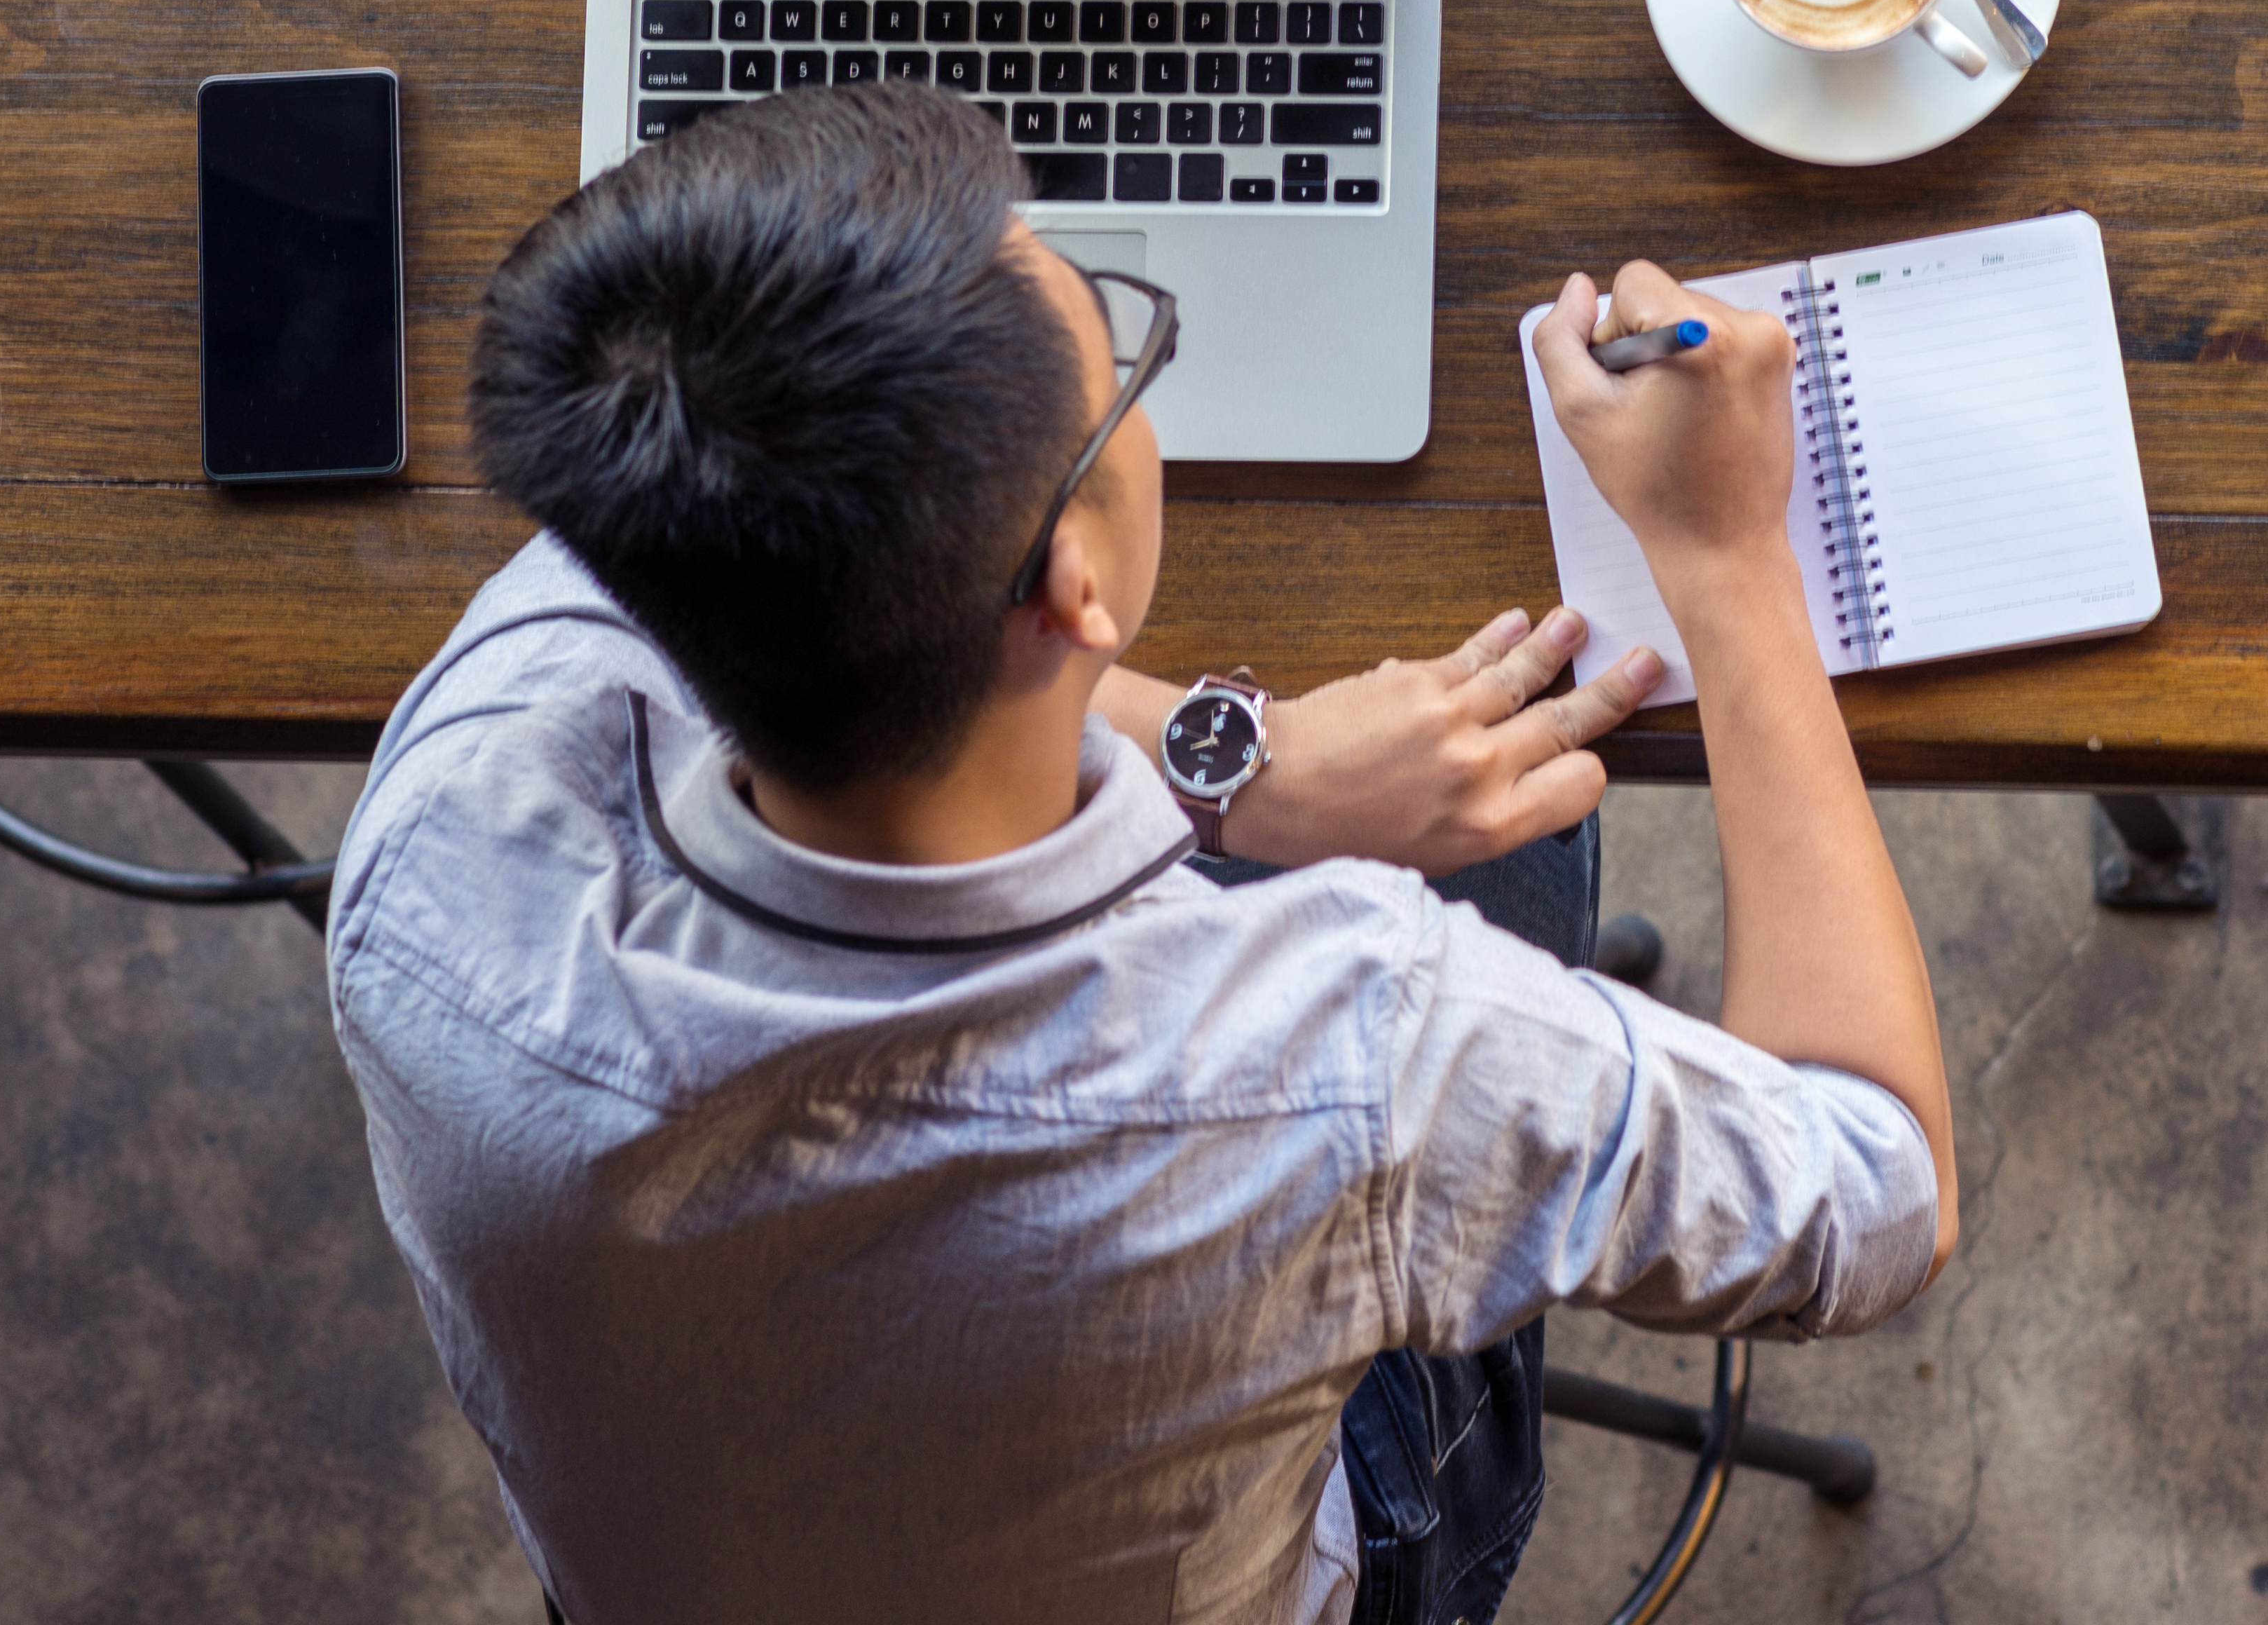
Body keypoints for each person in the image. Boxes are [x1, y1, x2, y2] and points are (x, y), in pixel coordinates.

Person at [326, 81, 1955, 1624]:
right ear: (1075, 593)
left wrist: (1239, 766)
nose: (1124, 353)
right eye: (1118, 349)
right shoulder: (1350, 1044)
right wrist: (1727, 554)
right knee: (1519, 867)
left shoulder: (445, 819)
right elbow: (1881, 1193)